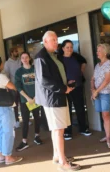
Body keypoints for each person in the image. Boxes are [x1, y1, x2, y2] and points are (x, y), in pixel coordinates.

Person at [34, 31, 80, 171]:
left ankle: (57, 156)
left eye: (56, 39)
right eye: (53, 40)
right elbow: (44, 80)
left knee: (57, 129)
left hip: (58, 95)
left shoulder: (53, 55)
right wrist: (62, 88)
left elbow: (56, 74)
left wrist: (66, 83)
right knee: (59, 130)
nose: (56, 42)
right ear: (45, 41)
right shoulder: (41, 57)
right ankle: (63, 162)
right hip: (52, 98)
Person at [0, 56, 23, 165]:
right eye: (1, 63)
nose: (3, 64)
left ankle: (1, 155)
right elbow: (13, 87)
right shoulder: (0, 76)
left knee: (2, 131)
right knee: (8, 131)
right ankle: (8, 157)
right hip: (5, 106)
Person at [58, 40, 92, 140]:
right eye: (67, 47)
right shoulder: (59, 59)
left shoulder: (76, 56)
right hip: (66, 88)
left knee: (80, 107)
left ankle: (83, 128)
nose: (70, 49)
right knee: (67, 110)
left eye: (71, 47)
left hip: (78, 86)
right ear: (63, 48)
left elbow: (84, 61)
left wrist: (81, 71)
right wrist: (65, 83)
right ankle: (68, 131)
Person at [15, 52, 43, 151]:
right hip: (25, 100)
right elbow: (18, 87)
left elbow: (40, 82)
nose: (25, 59)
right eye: (23, 58)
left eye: (26, 57)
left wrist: (35, 96)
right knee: (25, 121)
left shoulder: (35, 69)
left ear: (29, 58)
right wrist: (27, 98)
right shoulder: (19, 72)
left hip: (36, 98)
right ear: (21, 60)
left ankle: (37, 136)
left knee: (37, 118)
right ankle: (24, 141)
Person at [91, 43, 110, 149]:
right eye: (97, 50)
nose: (97, 52)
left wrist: (96, 91)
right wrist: (93, 90)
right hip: (98, 93)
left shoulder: (109, 63)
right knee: (103, 114)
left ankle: (109, 139)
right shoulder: (98, 65)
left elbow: (108, 79)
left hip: (106, 93)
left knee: (106, 115)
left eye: (99, 50)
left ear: (105, 52)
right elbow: (92, 79)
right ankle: (109, 134)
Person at [4, 47, 21, 128]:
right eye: (16, 51)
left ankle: (26, 119)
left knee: (25, 104)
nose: (17, 52)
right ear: (11, 53)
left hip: (22, 86)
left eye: (17, 51)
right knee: (15, 105)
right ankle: (16, 121)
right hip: (13, 87)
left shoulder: (20, 60)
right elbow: (7, 76)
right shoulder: (7, 63)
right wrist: (9, 86)